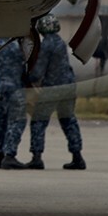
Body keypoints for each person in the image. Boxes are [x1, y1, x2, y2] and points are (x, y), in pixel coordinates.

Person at [26, 15, 85, 170]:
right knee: (68, 120)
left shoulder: (47, 44)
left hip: (52, 89)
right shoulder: (60, 42)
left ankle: (37, 157)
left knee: (38, 121)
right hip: (68, 87)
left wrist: (27, 77)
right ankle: (77, 156)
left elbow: (38, 71)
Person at [0, 36, 27, 169]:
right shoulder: (16, 46)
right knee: (17, 121)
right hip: (14, 88)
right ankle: (9, 155)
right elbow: (25, 67)